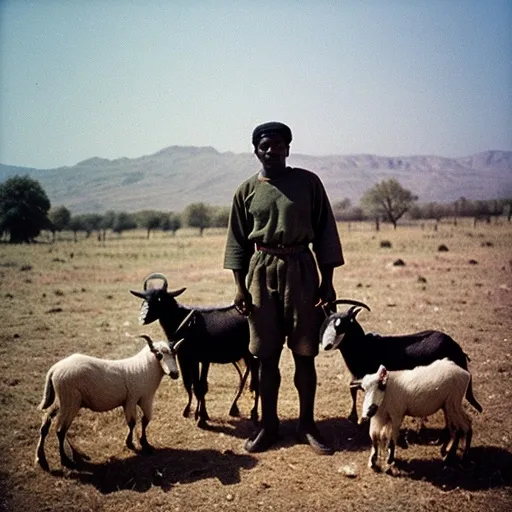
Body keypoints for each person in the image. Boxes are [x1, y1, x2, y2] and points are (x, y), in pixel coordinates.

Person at [223, 121, 344, 455]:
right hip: (261, 274)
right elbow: (236, 243)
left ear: (288, 148)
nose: (271, 150)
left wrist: (328, 281)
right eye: (265, 146)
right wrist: (239, 288)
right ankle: (269, 424)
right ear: (256, 151)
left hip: (302, 271)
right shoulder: (246, 191)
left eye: (278, 145)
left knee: (305, 353)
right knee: (265, 356)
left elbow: (326, 233)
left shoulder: (308, 183)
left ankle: (307, 424)